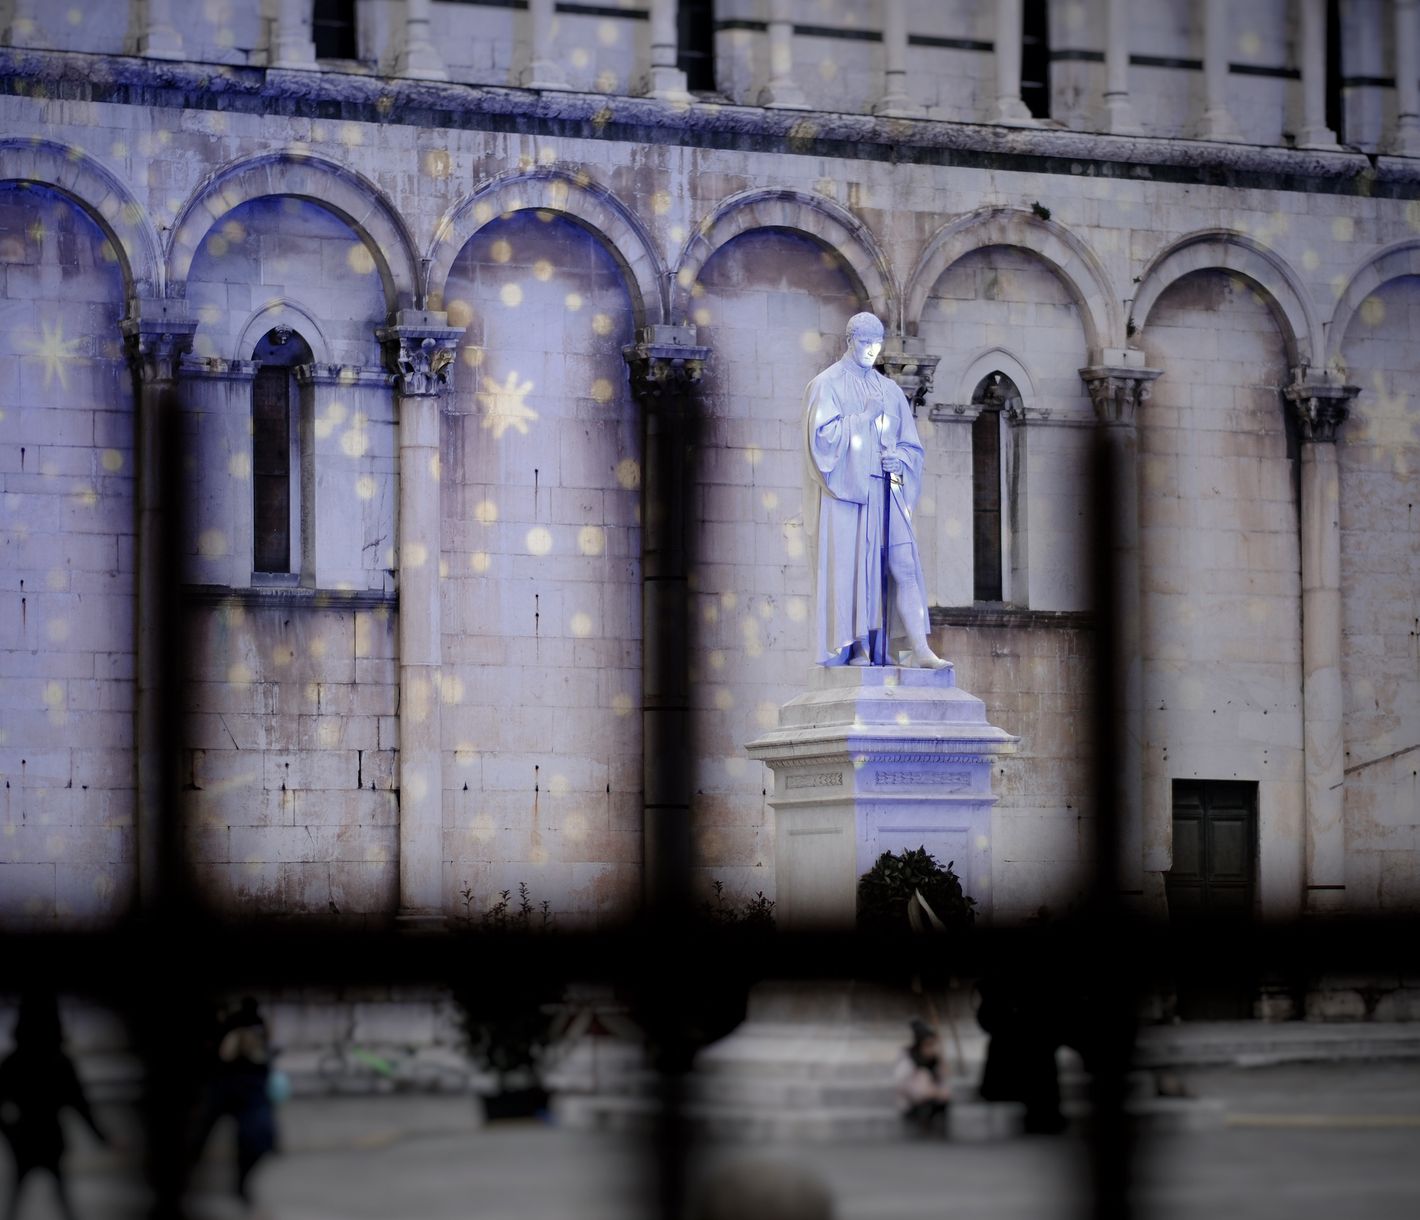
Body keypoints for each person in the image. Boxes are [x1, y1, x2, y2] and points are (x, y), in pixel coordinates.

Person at [803, 312, 947, 669]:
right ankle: (861, 647)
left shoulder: (890, 389)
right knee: (860, 571)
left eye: (877, 343)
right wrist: (863, 419)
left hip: (888, 492)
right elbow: (821, 443)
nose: (872, 350)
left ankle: (919, 647)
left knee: (904, 565)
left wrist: (900, 459)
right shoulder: (827, 384)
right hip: (851, 495)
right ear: (850, 340)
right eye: (865, 342)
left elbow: (911, 446)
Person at [0, 991, 111, 1220]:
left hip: (24, 1139)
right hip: (51, 1139)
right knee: (63, 1200)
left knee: (16, 1201)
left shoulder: (14, 1062)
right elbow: (81, 1105)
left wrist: (9, 1132)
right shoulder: (60, 1063)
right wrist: (102, 1137)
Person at [192, 997, 277, 1210]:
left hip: (244, 1086)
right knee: (198, 1136)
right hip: (225, 1084)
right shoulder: (232, 1023)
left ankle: (239, 1186)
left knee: (255, 1140)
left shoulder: (251, 1023)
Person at [894, 1019, 952, 1135]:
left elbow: (943, 1080)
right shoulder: (909, 1059)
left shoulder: (935, 1060)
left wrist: (941, 1062)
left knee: (942, 1101)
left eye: (933, 1045)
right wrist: (924, 1092)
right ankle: (924, 1129)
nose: (931, 1049)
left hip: (933, 1096)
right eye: (928, 1045)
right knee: (923, 1079)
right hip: (913, 1101)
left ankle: (941, 1130)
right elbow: (901, 1083)